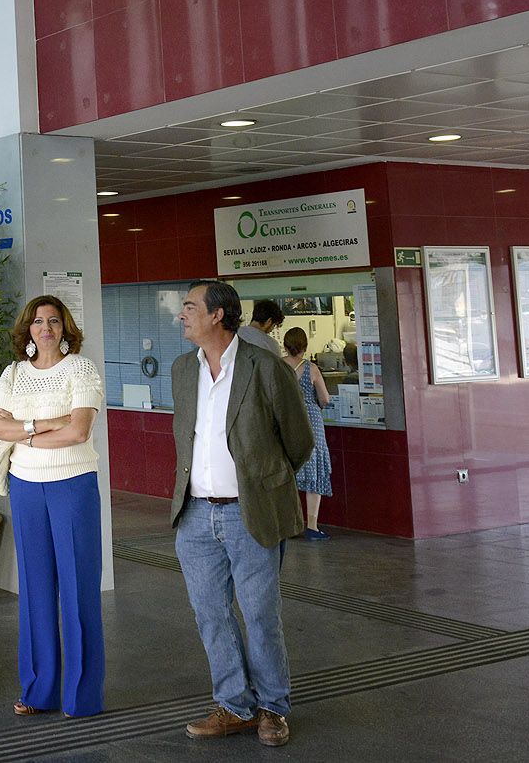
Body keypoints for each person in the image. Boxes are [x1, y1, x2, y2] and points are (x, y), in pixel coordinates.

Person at [171, 280, 313, 748]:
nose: (182, 314)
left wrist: (262, 481)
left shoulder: (264, 366)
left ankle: (273, 708)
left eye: (190, 307)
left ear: (217, 315)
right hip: (194, 516)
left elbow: (298, 440)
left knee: (259, 614)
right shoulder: (181, 370)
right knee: (210, 614)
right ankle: (234, 705)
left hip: (250, 512)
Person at [0, 295, 105, 718]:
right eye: (38, 321)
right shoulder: (14, 373)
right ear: (28, 330)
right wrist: (40, 424)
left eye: (54, 321)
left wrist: (27, 437)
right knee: (35, 591)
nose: (46, 328)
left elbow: (78, 431)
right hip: (26, 486)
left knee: (78, 591)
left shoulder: (81, 368)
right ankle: (39, 690)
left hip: (72, 485)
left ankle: (82, 696)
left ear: (65, 328)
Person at [282, 327, 332, 541]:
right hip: (311, 421)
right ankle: (312, 526)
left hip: (286, 420)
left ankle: (290, 524)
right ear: (305, 347)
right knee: (314, 473)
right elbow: (325, 399)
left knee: (288, 474)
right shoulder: (312, 369)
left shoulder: (278, 366)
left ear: (285, 345)